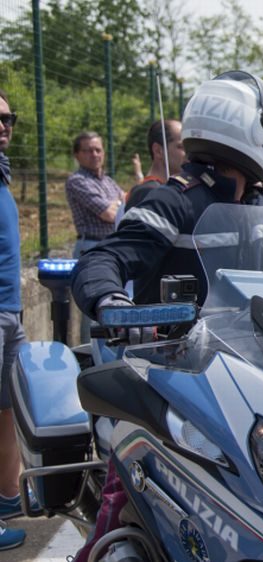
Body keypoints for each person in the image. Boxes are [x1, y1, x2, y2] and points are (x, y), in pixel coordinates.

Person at [70, 71, 263, 560]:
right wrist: (113, 302)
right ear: (257, 134)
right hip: (176, 380)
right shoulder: (172, 200)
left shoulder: (256, 208)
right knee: (130, 484)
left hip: (253, 378)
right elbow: (105, 259)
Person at [0, 89, 27, 552]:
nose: (4, 125)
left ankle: (8, 497)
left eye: (9, 118)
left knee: (9, 410)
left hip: (11, 309)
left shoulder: (2, 175)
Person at [65, 132, 126, 258]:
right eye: (87, 151)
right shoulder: (77, 181)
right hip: (92, 247)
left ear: (103, 153)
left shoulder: (108, 181)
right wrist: (120, 203)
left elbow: (128, 203)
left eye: (98, 150)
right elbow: (110, 215)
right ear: (76, 155)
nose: (94, 154)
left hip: (113, 244)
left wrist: (117, 204)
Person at [126, 119, 186, 211]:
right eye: (181, 147)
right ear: (158, 151)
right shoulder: (147, 193)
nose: (188, 153)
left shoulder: (172, 189)